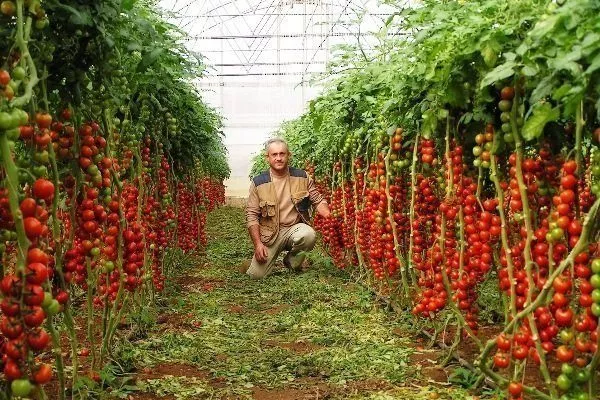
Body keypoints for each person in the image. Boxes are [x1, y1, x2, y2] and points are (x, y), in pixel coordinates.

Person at [244, 138, 331, 279]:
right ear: (268, 157)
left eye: (282, 154)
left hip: (294, 229)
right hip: (270, 234)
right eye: (274, 154)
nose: (279, 158)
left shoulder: (302, 177)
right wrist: (258, 244)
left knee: (308, 235)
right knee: (256, 276)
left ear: (288, 155)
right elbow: (252, 216)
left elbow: (317, 199)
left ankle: (292, 262)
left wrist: (329, 215)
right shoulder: (259, 182)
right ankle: (254, 264)